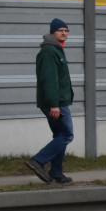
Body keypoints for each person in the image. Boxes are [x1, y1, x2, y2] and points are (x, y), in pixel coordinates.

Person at [24, 18, 75, 185]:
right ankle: (38, 161)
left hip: (58, 103)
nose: (64, 33)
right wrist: (54, 105)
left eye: (66, 31)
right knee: (66, 134)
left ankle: (56, 173)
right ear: (53, 32)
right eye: (60, 30)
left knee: (60, 135)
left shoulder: (56, 50)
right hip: (56, 104)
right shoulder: (49, 51)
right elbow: (49, 80)